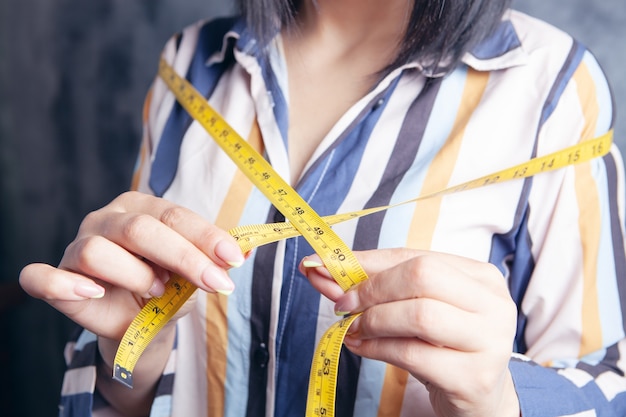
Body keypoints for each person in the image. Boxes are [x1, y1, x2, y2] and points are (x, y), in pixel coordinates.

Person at [19, 0, 626, 415]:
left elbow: (607, 386)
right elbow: (123, 380)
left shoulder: (549, 85)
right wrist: (132, 355)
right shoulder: (190, 67)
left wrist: (497, 400)